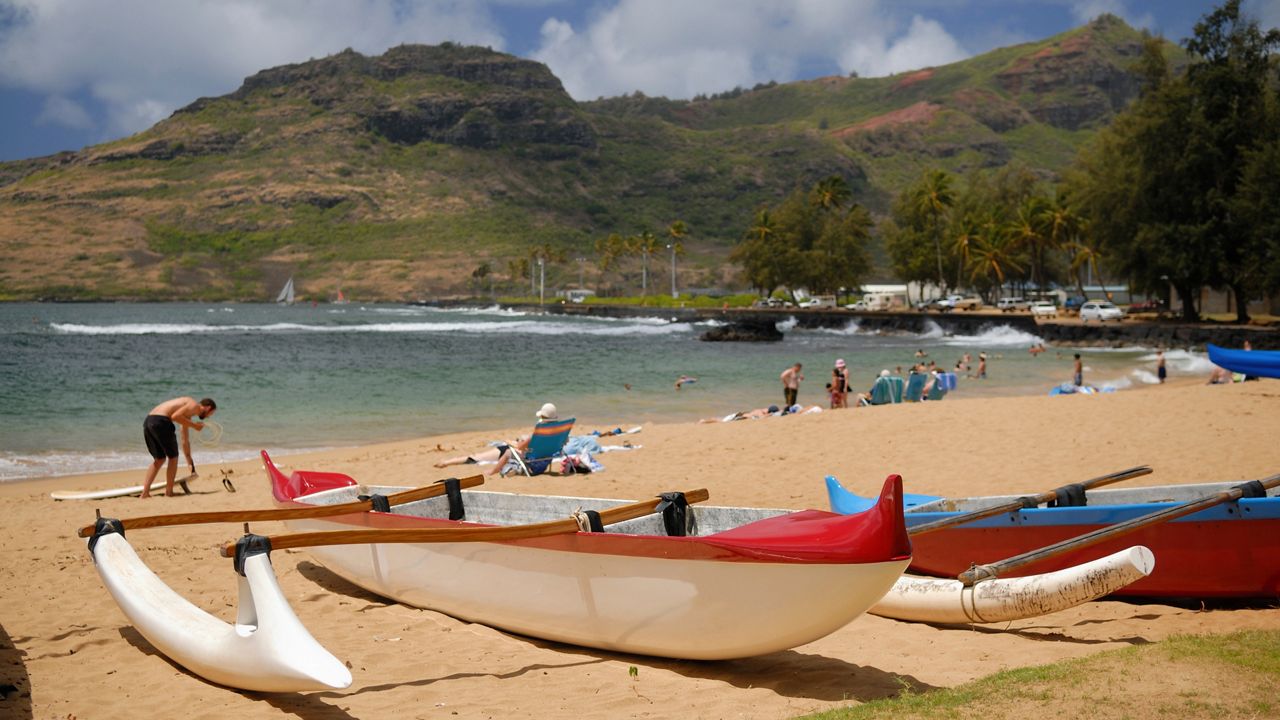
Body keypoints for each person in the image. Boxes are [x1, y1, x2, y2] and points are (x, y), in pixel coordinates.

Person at [435, 402, 564, 476]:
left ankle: (447, 462)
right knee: (486, 454)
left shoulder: (538, 433)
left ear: (542, 416)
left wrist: (511, 443)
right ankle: (447, 462)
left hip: (528, 461)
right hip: (541, 464)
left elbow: (520, 447)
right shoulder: (557, 434)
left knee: (478, 456)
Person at [140, 396, 216, 498]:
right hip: (161, 421)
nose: (208, 417)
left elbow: (185, 440)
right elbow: (175, 416)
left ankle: (145, 493)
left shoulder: (187, 414)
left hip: (149, 421)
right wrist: (195, 426)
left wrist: (190, 463)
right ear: (208, 408)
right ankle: (169, 492)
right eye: (211, 414)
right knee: (173, 457)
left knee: (159, 459)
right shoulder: (193, 405)